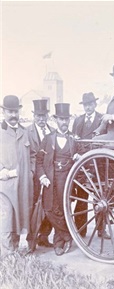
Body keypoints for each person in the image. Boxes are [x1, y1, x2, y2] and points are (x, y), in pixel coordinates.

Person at [36, 103, 76, 256]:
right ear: (55, 120)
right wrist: (42, 176)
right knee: (49, 209)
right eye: (61, 119)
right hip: (50, 179)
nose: (64, 123)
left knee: (64, 209)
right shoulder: (48, 139)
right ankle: (68, 235)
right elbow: (39, 161)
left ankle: (58, 243)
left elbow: (78, 159)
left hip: (66, 179)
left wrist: (77, 157)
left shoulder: (73, 139)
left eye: (66, 119)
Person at [72, 92, 109, 238]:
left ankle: (101, 229)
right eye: (86, 105)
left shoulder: (102, 119)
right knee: (82, 196)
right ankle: (81, 230)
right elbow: (74, 141)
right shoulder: (78, 121)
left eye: (90, 104)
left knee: (100, 198)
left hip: (98, 163)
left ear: (95, 104)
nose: (88, 107)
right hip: (82, 163)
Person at [0, 95, 33, 256]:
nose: (13, 116)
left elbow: (33, 154)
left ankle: (14, 247)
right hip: (5, 185)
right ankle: (7, 254)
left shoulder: (24, 132)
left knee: (20, 217)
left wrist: (31, 171)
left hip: (23, 185)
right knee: (6, 218)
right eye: (10, 112)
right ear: (3, 112)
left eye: (16, 112)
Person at [26, 99, 54, 250]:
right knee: (33, 207)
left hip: (50, 175)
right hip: (34, 176)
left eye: (43, 116)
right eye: (38, 116)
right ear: (34, 116)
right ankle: (31, 241)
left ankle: (44, 236)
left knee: (49, 206)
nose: (41, 119)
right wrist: (35, 173)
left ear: (47, 116)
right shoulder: (27, 132)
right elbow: (27, 155)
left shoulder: (52, 131)